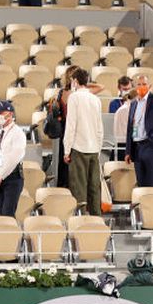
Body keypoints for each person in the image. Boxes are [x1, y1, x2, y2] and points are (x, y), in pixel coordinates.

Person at [63, 68, 104, 217]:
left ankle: (80, 220)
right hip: (94, 148)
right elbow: (100, 127)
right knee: (94, 187)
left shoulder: (74, 98)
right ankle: (96, 219)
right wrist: (98, 149)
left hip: (78, 147)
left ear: (75, 81)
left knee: (79, 187)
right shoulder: (96, 99)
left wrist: (67, 150)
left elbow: (71, 126)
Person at [0, 100, 25, 218]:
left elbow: (14, 158)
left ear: (10, 114)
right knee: (2, 212)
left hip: (12, 177)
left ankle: (11, 236)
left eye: (0, 113)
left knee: (8, 213)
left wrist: (0, 176)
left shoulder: (18, 133)